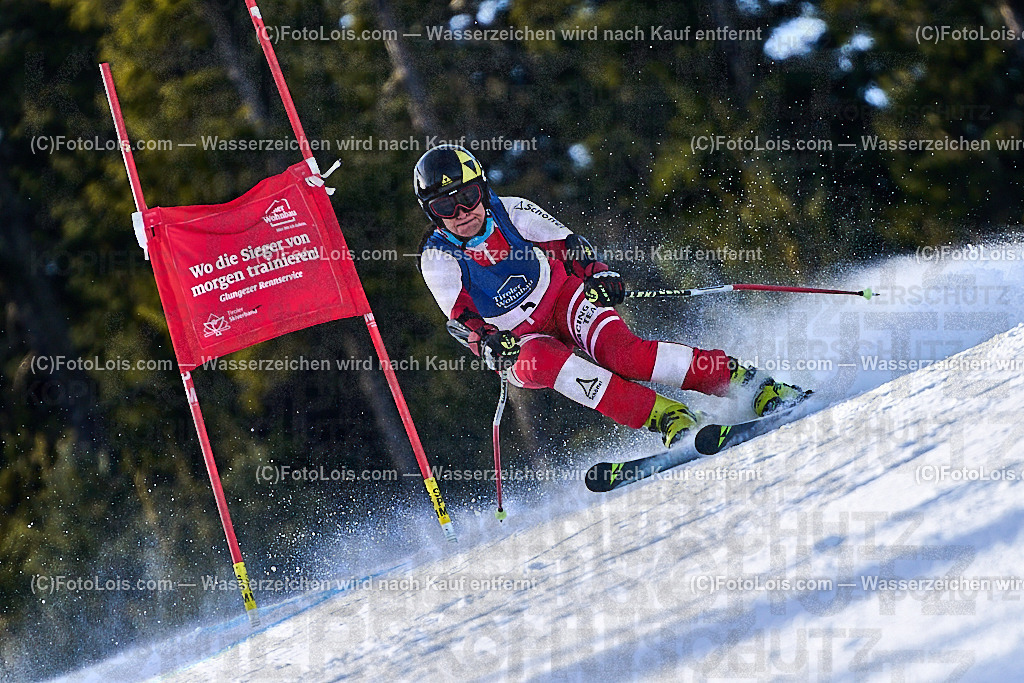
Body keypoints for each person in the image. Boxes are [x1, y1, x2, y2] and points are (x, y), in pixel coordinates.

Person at [413, 145, 810, 448]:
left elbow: (572, 247)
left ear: (483, 190)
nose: (462, 211)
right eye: (445, 205)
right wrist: (487, 342)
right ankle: (672, 418)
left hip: (560, 298)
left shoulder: (512, 212)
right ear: (432, 213)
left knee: (624, 355)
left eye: (468, 196)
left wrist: (601, 276)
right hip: (518, 342)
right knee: (544, 362)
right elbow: (463, 317)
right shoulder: (438, 258)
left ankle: (753, 386)